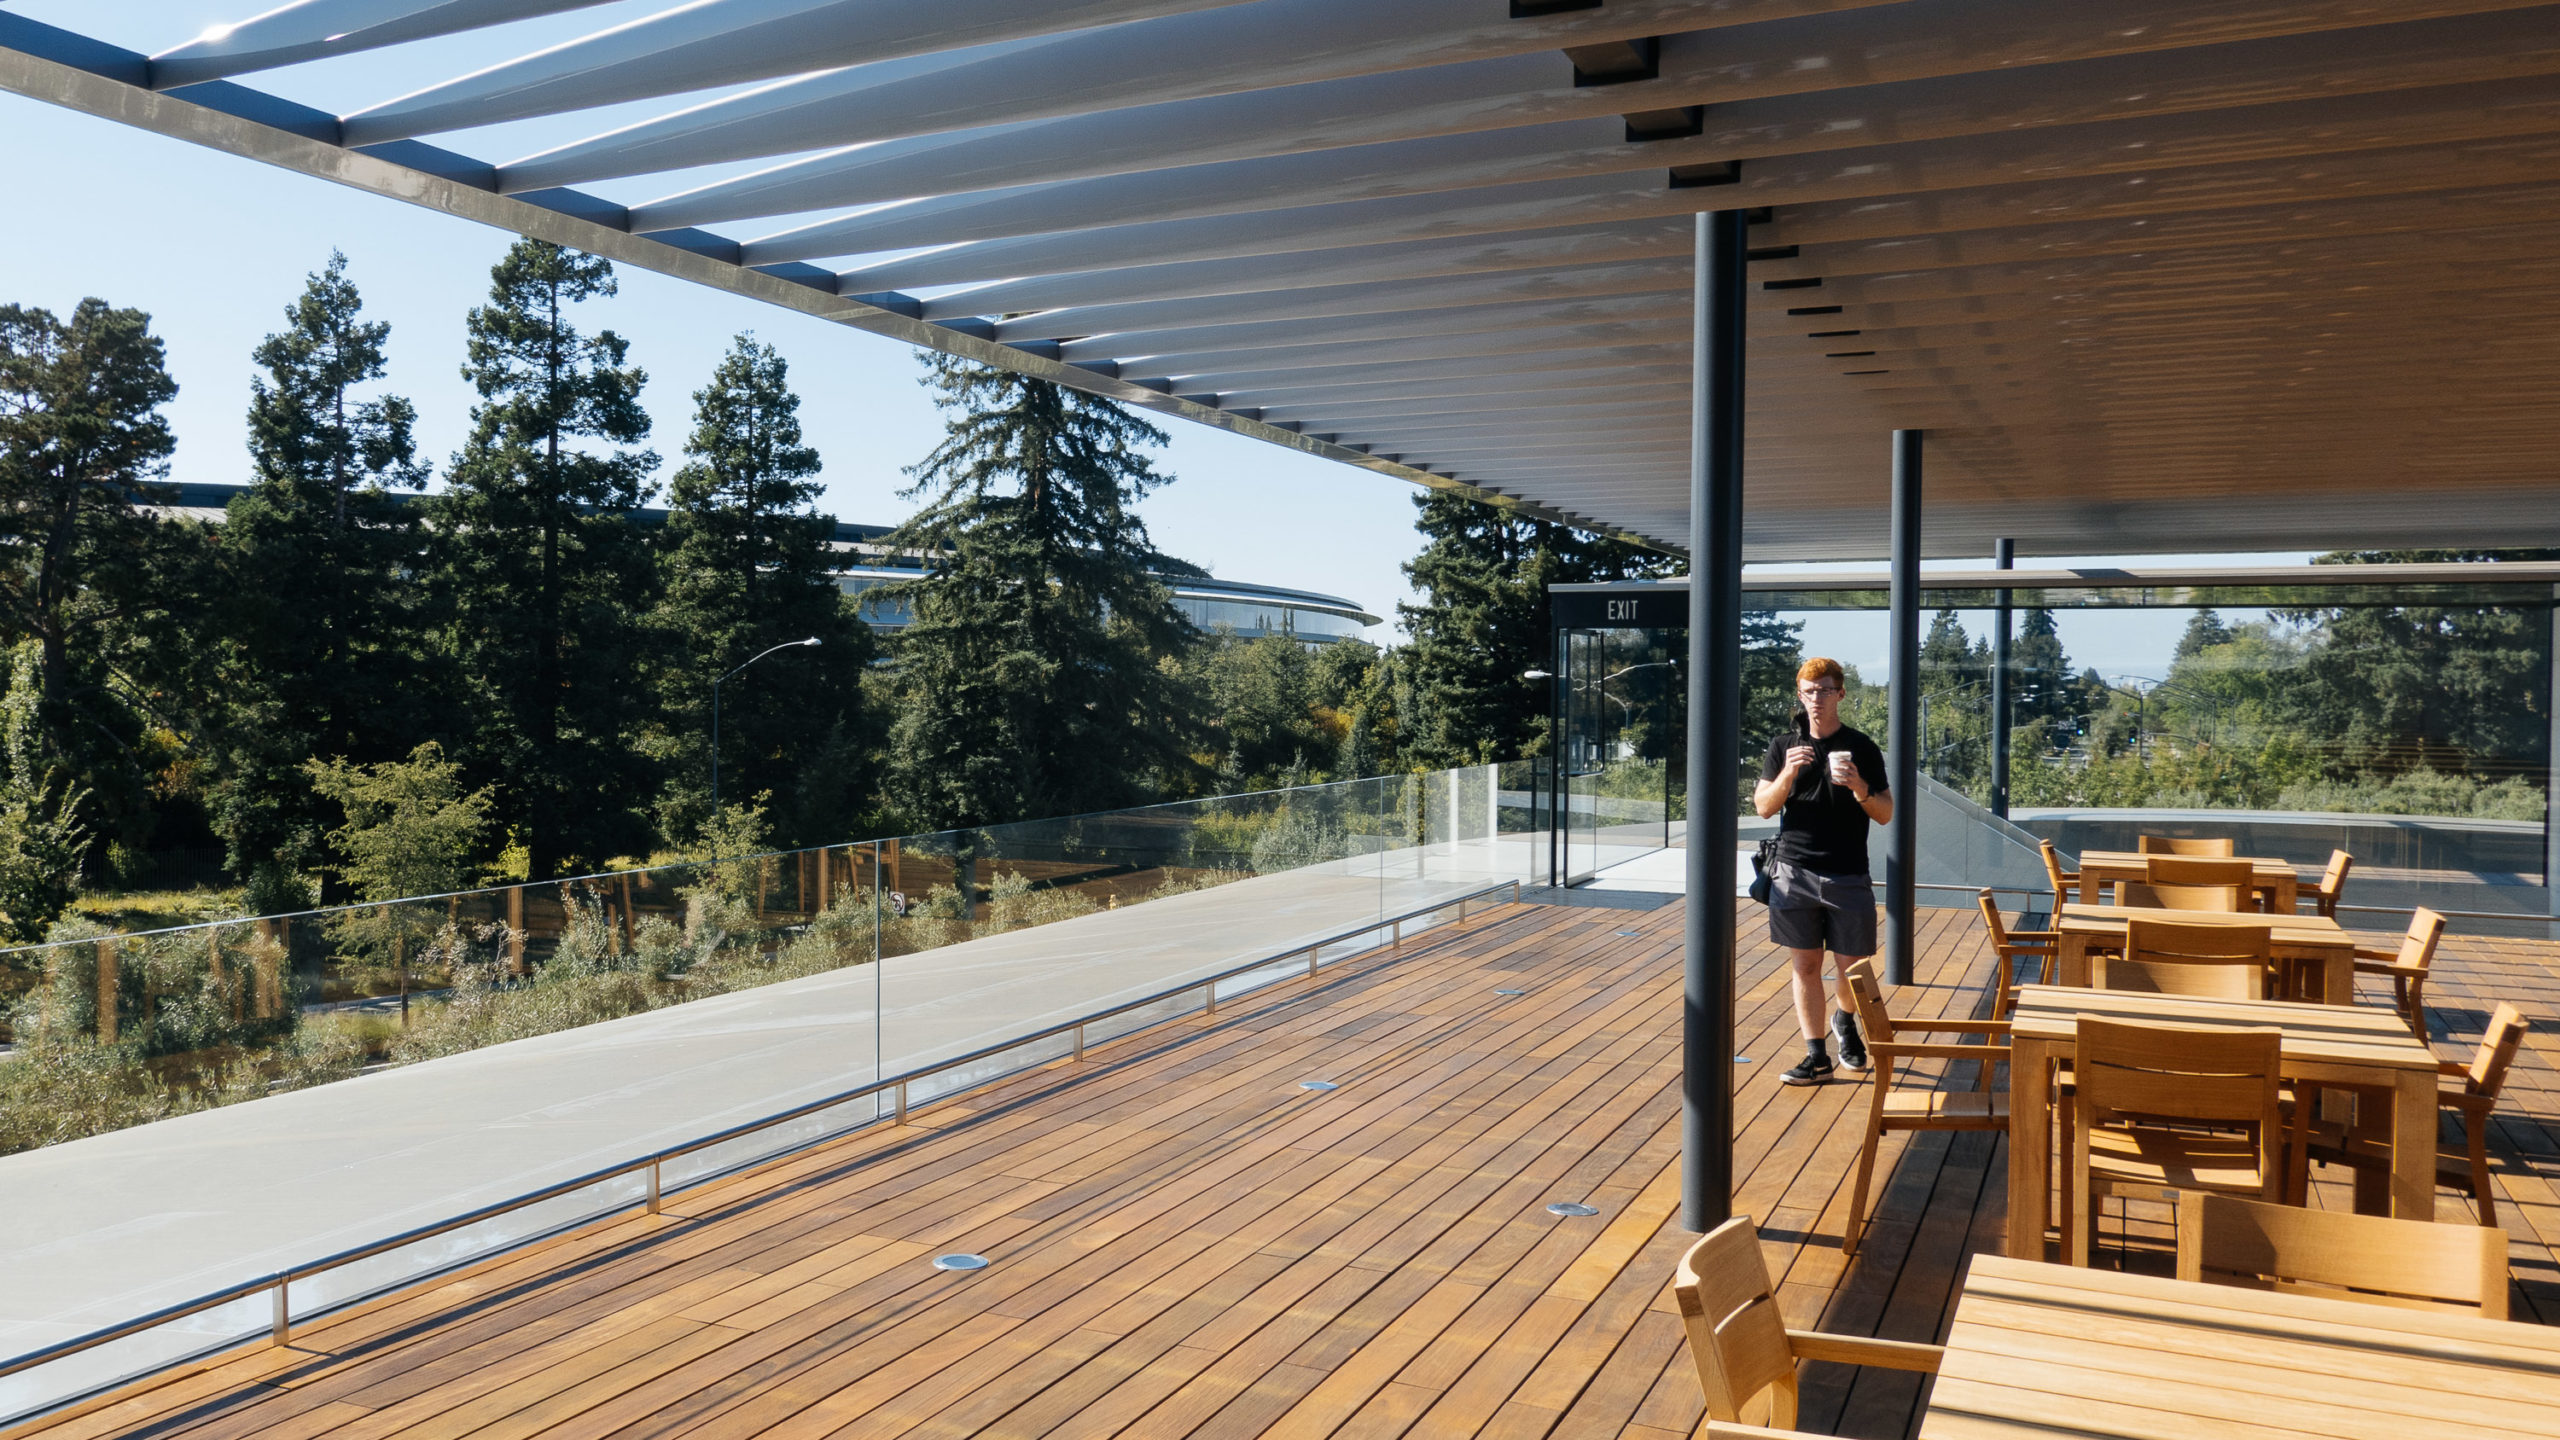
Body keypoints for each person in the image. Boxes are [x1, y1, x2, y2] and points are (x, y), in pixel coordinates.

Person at [1753, 656, 1893, 1085]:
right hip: (1793, 871)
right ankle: (1816, 1055)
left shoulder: (1862, 747)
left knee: (1852, 967)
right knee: (1806, 966)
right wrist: (1789, 774)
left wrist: (1859, 787)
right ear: (1800, 694)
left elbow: (1885, 813)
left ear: (1841, 694)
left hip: (1847, 872)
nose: (1818, 698)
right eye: (1810, 691)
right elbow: (1762, 807)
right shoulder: (1782, 746)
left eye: (1826, 690)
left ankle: (1845, 1019)